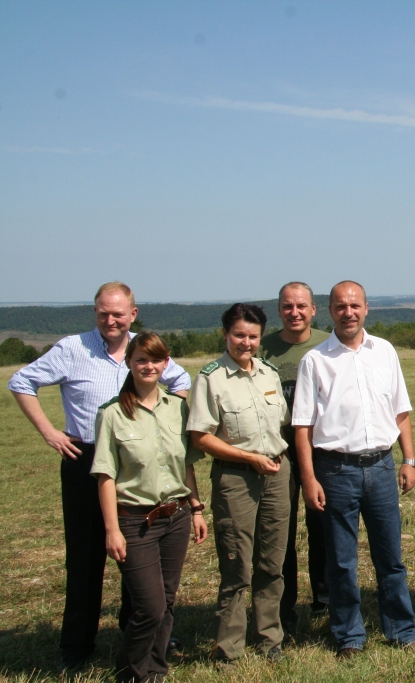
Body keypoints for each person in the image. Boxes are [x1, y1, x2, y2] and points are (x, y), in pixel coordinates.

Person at [7, 282, 191, 670]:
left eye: (118, 314)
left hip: (137, 462)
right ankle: (76, 646)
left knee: (141, 548)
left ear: (133, 314)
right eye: (103, 313)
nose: (111, 320)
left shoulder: (145, 348)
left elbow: (181, 382)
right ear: (95, 313)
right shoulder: (72, 348)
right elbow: (21, 382)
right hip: (87, 458)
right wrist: (50, 432)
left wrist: (166, 427)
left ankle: (140, 632)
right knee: (87, 557)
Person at [293, 281, 415, 657]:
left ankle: (401, 628)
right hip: (335, 470)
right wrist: (308, 478)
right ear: (329, 311)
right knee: (341, 559)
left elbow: (400, 410)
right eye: (340, 306)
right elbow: (302, 426)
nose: (348, 312)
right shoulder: (315, 361)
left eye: (355, 305)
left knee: (390, 556)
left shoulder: (384, 351)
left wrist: (409, 459)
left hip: (381, 466)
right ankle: (349, 635)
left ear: (366, 308)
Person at [92, 332, 208, 682]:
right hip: (134, 521)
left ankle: (155, 669)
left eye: (155, 359)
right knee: (149, 607)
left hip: (176, 516)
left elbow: (185, 465)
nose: (148, 366)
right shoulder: (111, 414)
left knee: (168, 602)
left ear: (165, 363)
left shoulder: (178, 408)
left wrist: (197, 507)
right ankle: (129, 673)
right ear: (128, 362)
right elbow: (105, 476)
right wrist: (111, 529)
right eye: (141, 359)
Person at [186, 303, 290, 667]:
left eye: (253, 336)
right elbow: (200, 436)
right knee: (236, 564)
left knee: (272, 560)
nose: (246, 343)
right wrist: (249, 458)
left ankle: (269, 638)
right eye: (239, 335)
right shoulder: (211, 378)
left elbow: (280, 425)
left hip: (277, 473)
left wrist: (270, 460)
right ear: (225, 334)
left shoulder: (268, 373)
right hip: (236, 477)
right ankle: (229, 647)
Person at [258, 282, 331, 638]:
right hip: (277, 451)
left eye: (301, 306)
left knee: (322, 525)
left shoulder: (326, 344)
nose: (295, 312)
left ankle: (325, 597)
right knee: (280, 530)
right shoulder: (264, 348)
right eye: (288, 306)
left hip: (322, 450)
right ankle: (283, 604)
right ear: (279, 310)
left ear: (313, 309)